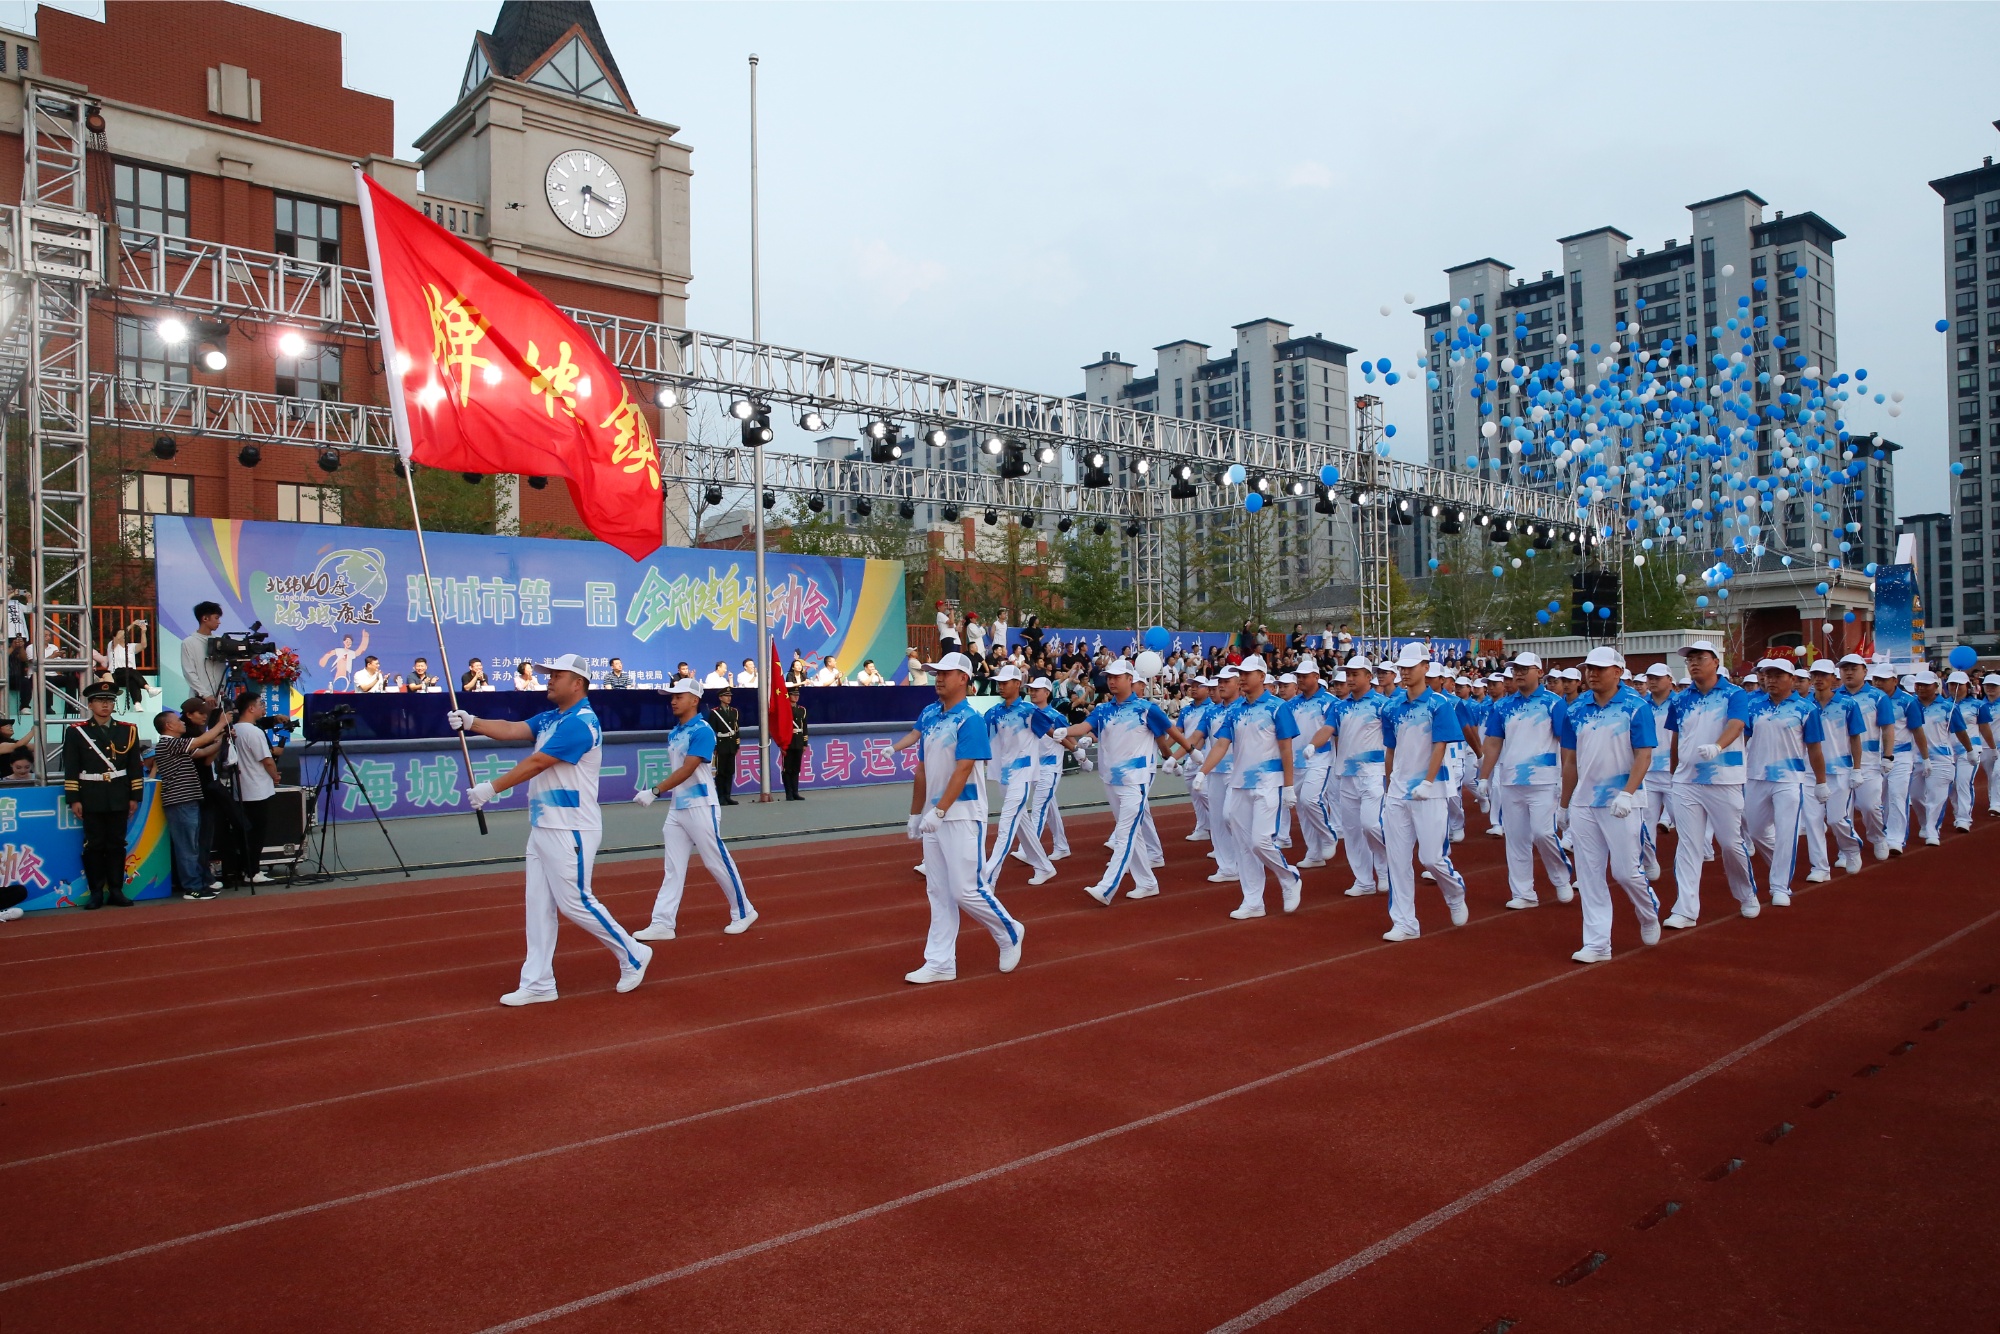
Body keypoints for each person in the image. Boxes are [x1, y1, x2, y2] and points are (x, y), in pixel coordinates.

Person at [449, 653, 651, 1005]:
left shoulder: (581, 723)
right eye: (548, 674)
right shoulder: (552, 718)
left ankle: (633, 953)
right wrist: (472, 721)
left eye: (556, 675)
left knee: (575, 902)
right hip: (544, 824)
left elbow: (539, 761)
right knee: (538, 905)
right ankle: (539, 981)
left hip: (571, 826)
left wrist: (491, 788)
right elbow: (514, 729)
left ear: (577, 683)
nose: (549, 679)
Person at [903, 651, 1023, 984]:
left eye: (946, 673)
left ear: (964, 679)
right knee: (938, 892)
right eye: (935, 673)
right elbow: (923, 769)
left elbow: (964, 767)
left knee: (965, 890)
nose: (938, 678)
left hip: (963, 814)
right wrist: (917, 813)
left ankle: (1010, 930)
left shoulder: (970, 719)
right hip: (933, 818)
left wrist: (940, 810)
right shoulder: (929, 716)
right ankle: (940, 961)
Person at [1557, 646, 1662, 963]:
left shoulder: (1635, 706)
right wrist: (1564, 805)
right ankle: (1598, 942)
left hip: (1621, 802)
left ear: (1618, 672)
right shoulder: (1575, 710)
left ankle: (1647, 912)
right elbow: (1570, 761)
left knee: (1626, 872)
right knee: (1589, 875)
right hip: (1585, 803)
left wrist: (1628, 793)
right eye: (1589, 668)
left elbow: (1644, 755)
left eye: (1599, 669)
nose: (1592, 673)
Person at [633, 679, 757, 940]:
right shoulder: (675, 732)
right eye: (671, 697)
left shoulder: (702, 730)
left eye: (679, 696)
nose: (673, 701)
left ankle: (744, 911)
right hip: (678, 808)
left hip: (702, 805)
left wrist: (655, 791)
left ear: (694, 700)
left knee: (716, 861)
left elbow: (689, 768)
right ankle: (663, 923)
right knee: (673, 867)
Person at [1068, 658, 1187, 906]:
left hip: (1136, 780)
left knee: (1124, 835)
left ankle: (1107, 886)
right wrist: (1065, 732)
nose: (1111, 681)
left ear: (1130, 680)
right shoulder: (1103, 709)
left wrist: (1184, 754)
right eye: (1109, 677)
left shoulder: (1146, 708)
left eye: (1117, 677)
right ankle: (1147, 883)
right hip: (1111, 779)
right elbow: (1085, 727)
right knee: (1135, 835)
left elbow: (1170, 732)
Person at [1194, 654, 1301, 920]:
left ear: (1262, 677)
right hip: (1240, 783)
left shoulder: (1278, 707)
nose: (1242, 677)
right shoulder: (1235, 710)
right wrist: (1202, 772)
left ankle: (1289, 878)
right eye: (1240, 673)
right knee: (1242, 843)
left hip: (1269, 782)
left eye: (1247, 673)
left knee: (1260, 841)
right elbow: (1221, 744)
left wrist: (1289, 786)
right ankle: (1253, 900)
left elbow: (1287, 748)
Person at [1662, 639, 1760, 928]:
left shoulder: (1734, 694)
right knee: (1689, 845)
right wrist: (1673, 772)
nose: (1693, 663)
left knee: (1731, 844)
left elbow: (1737, 724)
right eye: (1690, 659)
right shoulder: (1679, 699)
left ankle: (1746, 894)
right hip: (1687, 781)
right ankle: (1685, 909)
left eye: (1699, 658)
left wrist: (1717, 747)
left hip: (1724, 780)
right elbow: (1676, 738)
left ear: (1716, 662)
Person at [1379, 643, 1470, 940]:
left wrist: (1428, 781)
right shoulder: (1391, 706)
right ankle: (1405, 922)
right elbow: (1390, 749)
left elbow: (1440, 744)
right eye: (1401, 667)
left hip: (1431, 791)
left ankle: (1455, 892)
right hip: (1397, 793)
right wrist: (1389, 782)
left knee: (1431, 858)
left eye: (1411, 666)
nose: (1405, 671)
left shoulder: (1439, 704)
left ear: (1425, 668)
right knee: (1398, 859)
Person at [1476, 652, 1574, 910]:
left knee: (1543, 833)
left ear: (1539, 672)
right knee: (1517, 839)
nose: (1517, 673)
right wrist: (1484, 776)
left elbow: (1566, 744)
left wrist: (1566, 777)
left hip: (1544, 781)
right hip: (1510, 781)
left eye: (1523, 669)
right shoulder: (1503, 706)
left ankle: (1561, 875)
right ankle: (1524, 892)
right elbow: (1494, 742)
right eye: (1515, 669)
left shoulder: (1554, 703)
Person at [1742, 660, 1830, 905]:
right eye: (1767, 675)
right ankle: (1780, 864)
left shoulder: (1805, 709)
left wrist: (1821, 782)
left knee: (1786, 833)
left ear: (1791, 679)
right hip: (1756, 776)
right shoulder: (1753, 705)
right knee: (1757, 831)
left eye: (1777, 675)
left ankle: (1780, 886)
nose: (1770, 679)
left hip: (1790, 779)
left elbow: (1814, 749)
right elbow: (1742, 740)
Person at [979, 664, 1062, 889]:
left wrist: (1076, 746)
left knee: (1006, 825)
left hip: (1023, 775)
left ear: (1018, 684)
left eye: (1005, 682)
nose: (1001, 686)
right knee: (1022, 823)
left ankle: (988, 878)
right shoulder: (994, 712)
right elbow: (979, 734)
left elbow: (1052, 733)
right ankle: (1044, 866)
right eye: (999, 683)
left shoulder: (1029, 711)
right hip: (1003, 775)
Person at [63, 682, 144, 909]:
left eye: (109, 700)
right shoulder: (77, 731)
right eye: (100, 700)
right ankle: (96, 891)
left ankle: (117, 890)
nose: (105, 705)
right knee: (94, 844)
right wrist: (74, 798)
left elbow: (134, 767)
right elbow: (71, 766)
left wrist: (134, 795)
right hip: (91, 794)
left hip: (118, 793)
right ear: (90, 704)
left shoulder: (128, 730)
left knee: (117, 844)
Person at [152, 703, 233, 901]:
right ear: (169, 726)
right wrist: (221, 723)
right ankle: (192, 887)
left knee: (193, 845)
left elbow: (203, 752)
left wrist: (222, 739)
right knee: (187, 847)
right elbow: (200, 742)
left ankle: (198, 884)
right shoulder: (168, 743)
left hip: (188, 800)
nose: (182, 723)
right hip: (180, 802)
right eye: (178, 721)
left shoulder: (176, 745)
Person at [1331, 656, 1390, 897]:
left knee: (1370, 824)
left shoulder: (1382, 705)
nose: (1350, 679)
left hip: (1373, 772)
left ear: (1369, 676)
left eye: (1356, 674)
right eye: (1348, 674)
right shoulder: (1340, 707)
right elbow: (1332, 733)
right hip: (1346, 774)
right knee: (1353, 830)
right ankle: (1363, 880)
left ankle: (1386, 869)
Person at [1808, 659, 1868, 877]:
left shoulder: (1848, 704)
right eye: (1815, 675)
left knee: (1835, 819)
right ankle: (1820, 867)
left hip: (1839, 768)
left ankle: (1851, 848)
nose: (1818, 680)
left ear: (1833, 678)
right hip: (1810, 772)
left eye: (1823, 675)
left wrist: (1857, 768)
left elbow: (1855, 738)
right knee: (1812, 821)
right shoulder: (1805, 704)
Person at [1284, 655, 1340, 871]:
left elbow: (1332, 731)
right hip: (1297, 761)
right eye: (1298, 676)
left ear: (1316, 676)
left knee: (1310, 800)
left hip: (1321, 759)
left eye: (1305, 676)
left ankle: (1328, 835)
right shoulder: (1292, 705)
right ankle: (1314, 852)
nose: (1300, 680)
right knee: (1302, 808)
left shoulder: (1329, 702)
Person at [1911, 670, 1970, 847]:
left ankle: (1932, 829)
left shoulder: (1948, 707)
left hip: (1941, 758)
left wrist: (1970, 750)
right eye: (1918, 685)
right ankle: (1924, 822)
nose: (1921, 688)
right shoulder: (1910, 705)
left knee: (1936, 797)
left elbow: (1960, 730)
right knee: (1915, 796)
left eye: (1925, 685)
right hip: (1915, 758)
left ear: (1936, 686)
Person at [228, 689, 280, 887]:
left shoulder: (235, 730)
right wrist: (275, 775)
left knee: (245, 833)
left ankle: (245, 868)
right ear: (250, 708)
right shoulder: (254, 732)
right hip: (257, 789)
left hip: (241, 788)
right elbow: (267, 760)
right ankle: (253, 871)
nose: (263, 709)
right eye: (261, 705)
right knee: (257, 833)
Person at [1024, 675, 1072, 865]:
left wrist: (1079, 753)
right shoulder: (1030, 714)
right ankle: (1061, 846)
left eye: (1037, 690)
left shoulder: (1056, 717)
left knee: (1038, 808)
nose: (1033, 693)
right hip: (1034, 767)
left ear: (1047, 693)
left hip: (1050, 767)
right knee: (1049, 808)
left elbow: (1068, 739)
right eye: (1031, 690)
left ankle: (1028, 849)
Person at [180, 599, 225, 704]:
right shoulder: (189, 642)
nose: (219, 622)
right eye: (216, 618)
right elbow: (189, 672)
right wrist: (205, 694)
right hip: (201, 700)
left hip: (221, 698)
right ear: (205, 618)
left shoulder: (221, 641)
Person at [104, 618, 151, 708]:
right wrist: (132, 624)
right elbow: (118, 637)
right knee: (129, 671)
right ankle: (147, 687)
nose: (124, 635)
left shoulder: (131, 646)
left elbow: (143, 645)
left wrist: (143, 632)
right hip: (116, 675)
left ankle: (137, 703)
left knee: (133, 681)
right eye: (121, 633)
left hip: (129, 675)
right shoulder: (112, 645)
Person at [709, 687, 742, 804]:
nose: (729, 698)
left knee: (729, 771)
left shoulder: (734, 711)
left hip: (731, 744)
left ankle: (728, 795)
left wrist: (737, 744)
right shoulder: (715, 712)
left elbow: (736, 729)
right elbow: (712, 731)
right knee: (721, 772)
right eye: (726, 696)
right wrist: (715, 747)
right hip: (721, 744)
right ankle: (721, 796)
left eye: (730, 696)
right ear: (720, 697)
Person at [782, 683, 808, 800]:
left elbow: (804, 728)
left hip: (798, 741)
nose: (796, 697)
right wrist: (782, 744)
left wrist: (804, 743)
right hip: (788, 741)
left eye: (797, 694)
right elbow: (781, 727)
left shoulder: (802, 710)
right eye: (793, 694)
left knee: (796, 768)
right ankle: (789, 793)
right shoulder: (784, 710)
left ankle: (795, 792)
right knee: (788, 768)